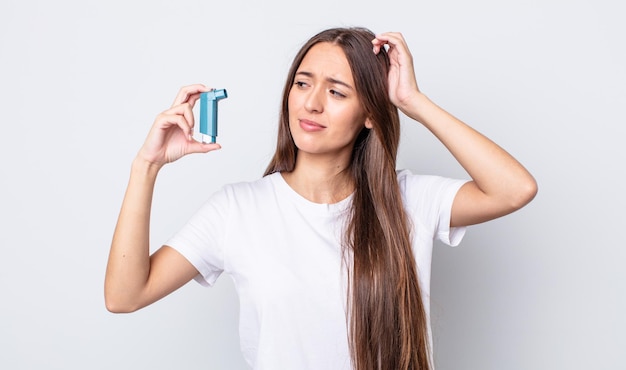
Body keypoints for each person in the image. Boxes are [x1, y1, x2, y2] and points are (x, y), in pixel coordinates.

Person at [105, 27, 537, 370]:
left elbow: (515, 189)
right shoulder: (236, 209)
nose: (311, 103)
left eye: (336, 92)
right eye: (302, 83)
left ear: (370, 113)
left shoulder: (408, 200)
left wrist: (413, 102)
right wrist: (146, 166)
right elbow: (125, 296)